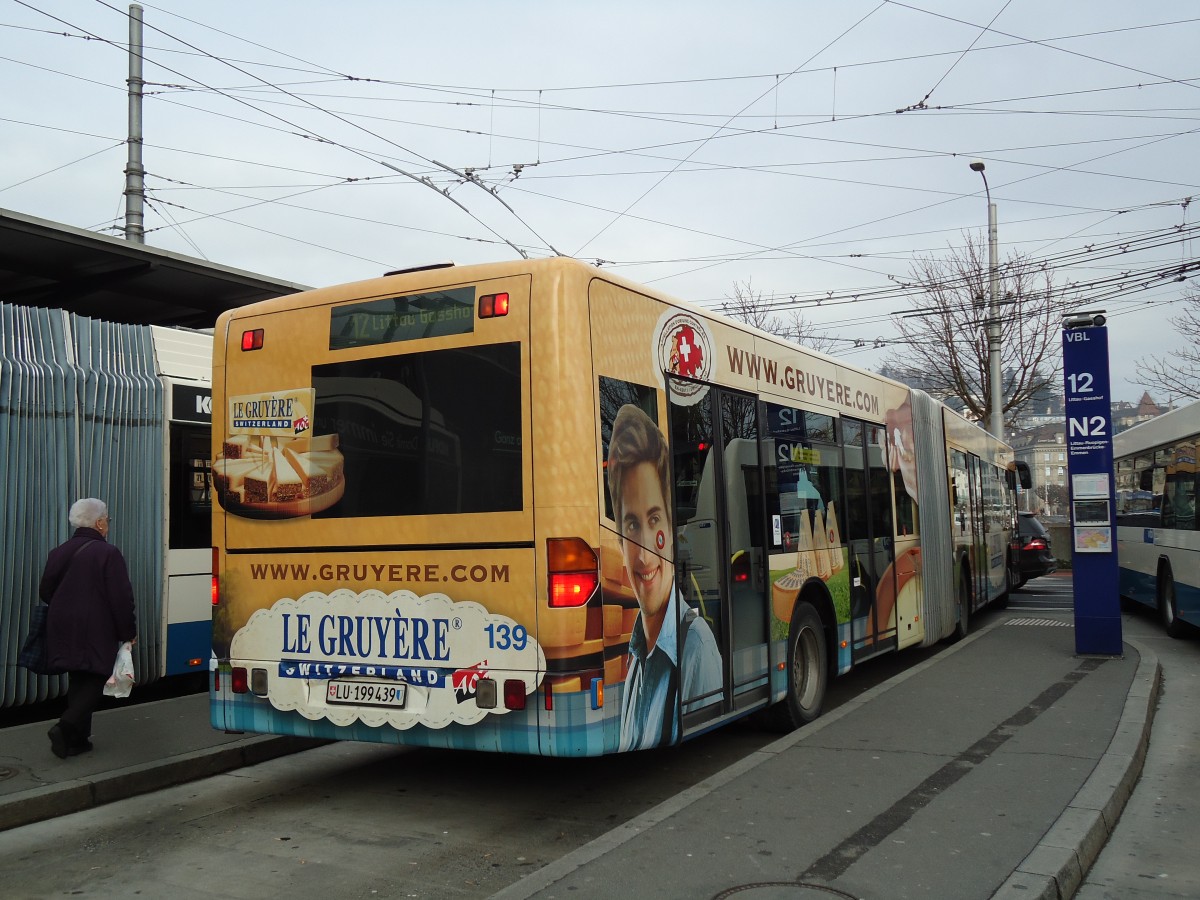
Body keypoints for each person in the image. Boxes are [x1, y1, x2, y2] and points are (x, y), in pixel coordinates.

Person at [607, 404, 721, 751]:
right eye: (631, 525)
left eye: (654, 519)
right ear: (618, 539)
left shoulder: (696, 649)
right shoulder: (637, 654)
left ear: (672, 528)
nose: (643, 555)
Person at [41, 498, 137, 758]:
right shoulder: (108, 553)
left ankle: (77, 741)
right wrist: (128, 632)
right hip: (95, 626)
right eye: (107, 519)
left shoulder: (59, 551)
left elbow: (45, 591)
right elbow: (120, 597)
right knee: (99, 674)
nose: (107, 525)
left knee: (78, 676)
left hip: (61, 623)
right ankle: (64, 727)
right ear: (99, 522)